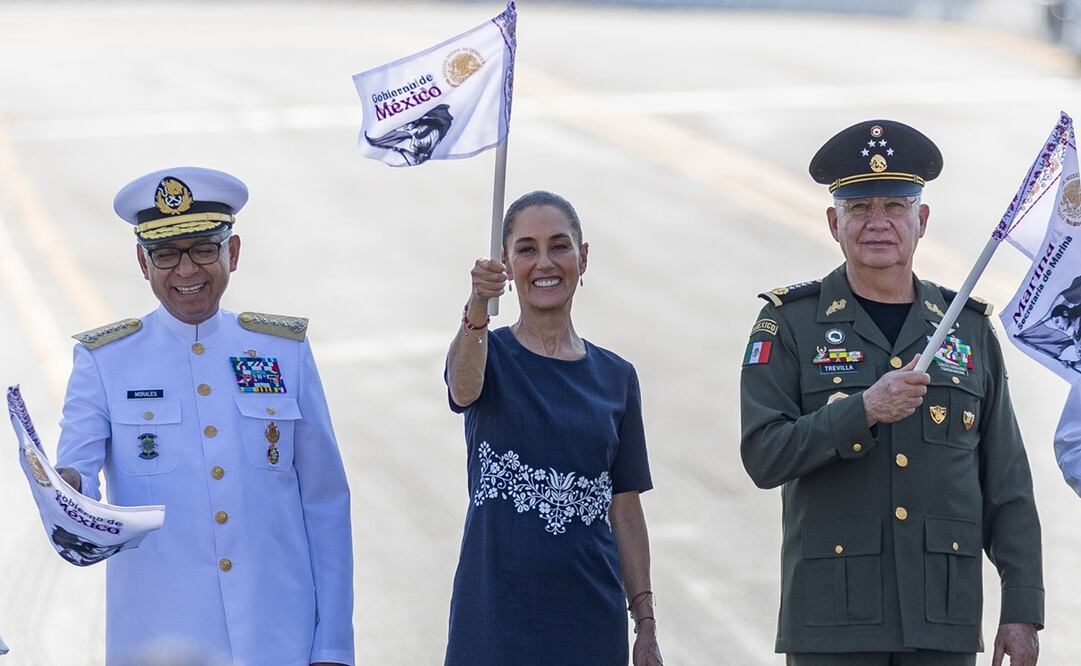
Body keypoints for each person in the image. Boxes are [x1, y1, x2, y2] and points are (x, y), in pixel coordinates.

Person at [740, 120, 1044, 666]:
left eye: (895, 206)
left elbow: (1008, 485)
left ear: (921, 220)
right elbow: (763, 455)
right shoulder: (789, 325)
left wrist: (1022, 613)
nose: (877, 222)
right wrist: (861, 411)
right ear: (834, 223)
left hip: (942, 622)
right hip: (833, 622)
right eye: (859, 208)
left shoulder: (966, 329)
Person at [55, 167, 354, 666]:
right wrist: (65, 491)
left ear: (232, 254)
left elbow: (325, 504)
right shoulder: (105, 361)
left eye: (203, 249)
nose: (186, 271)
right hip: (161, 641)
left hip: (278, 636)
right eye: (166, 255)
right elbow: (77, 481)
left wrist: (335, 648)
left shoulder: (282, 352)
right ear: (142, 262)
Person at [443, 191, 662, 666]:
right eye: (526, 249)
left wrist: (645, 623)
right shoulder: (488, 355)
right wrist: (478, 304)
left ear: (583, 258)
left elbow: (624, 509)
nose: (544, 262)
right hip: (495, 619)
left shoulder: (616, 377)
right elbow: (462, 389)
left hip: (589, 620)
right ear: (505, 263)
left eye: (560, 246)